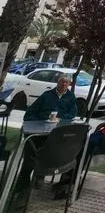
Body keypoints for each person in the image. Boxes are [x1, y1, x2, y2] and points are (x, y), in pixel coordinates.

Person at [14, 76, 77, 206]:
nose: (64, 84)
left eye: (67, 82)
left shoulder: (71, 97)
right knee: (30, 152)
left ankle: (61, 185)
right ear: (57, 82)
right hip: (41, 132)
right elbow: (29, 114)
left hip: (58, 134)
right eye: (62, 81)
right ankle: (22, 188)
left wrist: (60, 118)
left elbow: (72, 114)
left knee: (72, 149)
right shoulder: (47, 95)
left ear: (69, 84)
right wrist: (45, 118)